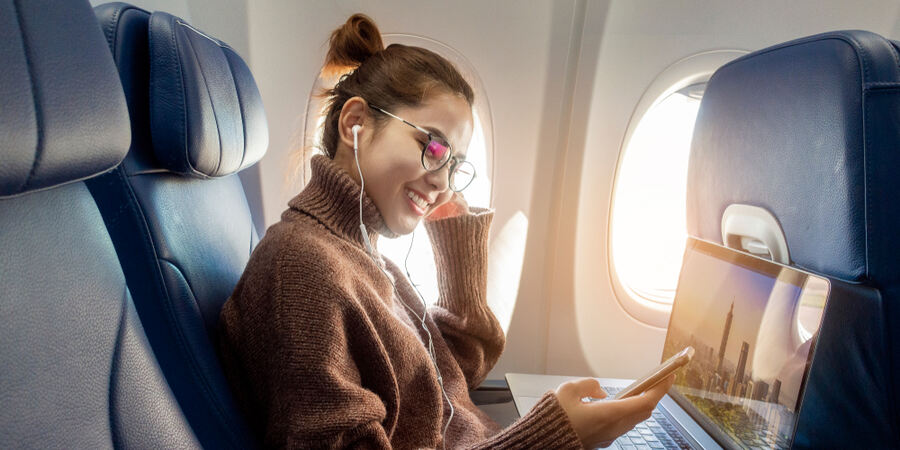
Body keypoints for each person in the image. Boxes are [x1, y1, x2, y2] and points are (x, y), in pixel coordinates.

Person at [217, 13, 673, 449]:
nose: (443, 182)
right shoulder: (302, 268)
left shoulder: (367, 257)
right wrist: (553, 436)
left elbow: (452, 373)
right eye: (432, 146)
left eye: (454, 164)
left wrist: (456, 235)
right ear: (355, 123)